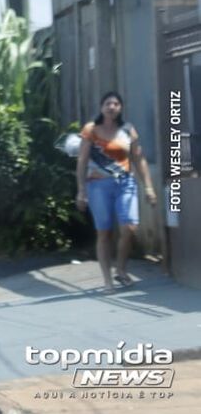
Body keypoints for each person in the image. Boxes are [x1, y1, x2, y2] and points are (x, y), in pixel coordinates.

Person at [75, 91, 157, 292]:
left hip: (125, 183)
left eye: (115, 104)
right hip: (98, 185)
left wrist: (148, 186)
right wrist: (81, 190)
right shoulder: (91, 130)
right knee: (104, 232)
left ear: (120, 108)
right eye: (107, 104)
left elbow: (139, 159)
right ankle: (107, 280)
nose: (111, 107)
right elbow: (82, 160)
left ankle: (120, 269)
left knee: (129, 228)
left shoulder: (128, 130)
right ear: (102, 107)